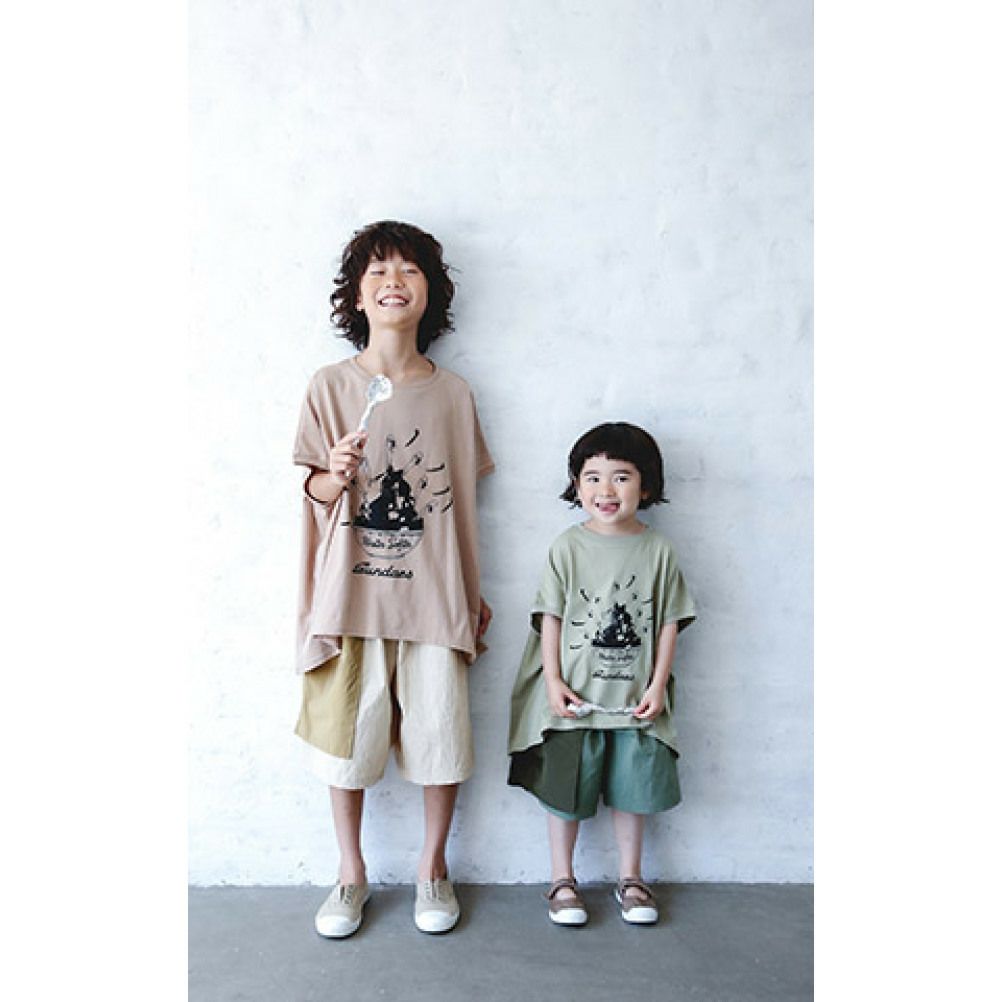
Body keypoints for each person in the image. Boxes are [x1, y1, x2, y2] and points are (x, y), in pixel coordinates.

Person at [293, 221, 494, 938]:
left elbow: (463, 508)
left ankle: (432, 868)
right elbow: (312, 493)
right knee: (346, 747)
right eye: (377, 270)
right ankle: (350, 873)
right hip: (351, 596)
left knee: (442, 739)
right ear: (356, 294)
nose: (393, 282)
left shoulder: (453, 394)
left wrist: (470, 592)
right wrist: (332, 474)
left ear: (429, 292)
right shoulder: (330, 386)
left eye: (409, 270)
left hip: (432, 596)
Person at [507, 422, 696, 926]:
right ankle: (561, 879)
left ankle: (631, 878)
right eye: (592, 477)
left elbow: (670, 621)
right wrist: (552, 681)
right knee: (565, 792)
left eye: (621, 477)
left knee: (634, 791)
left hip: (635, 700)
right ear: (576, 485)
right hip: (575, 698)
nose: (606, 490)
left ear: (646, 486)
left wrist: (659, 684)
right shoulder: (567, 547)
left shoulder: (659, 550)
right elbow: (549, 616)